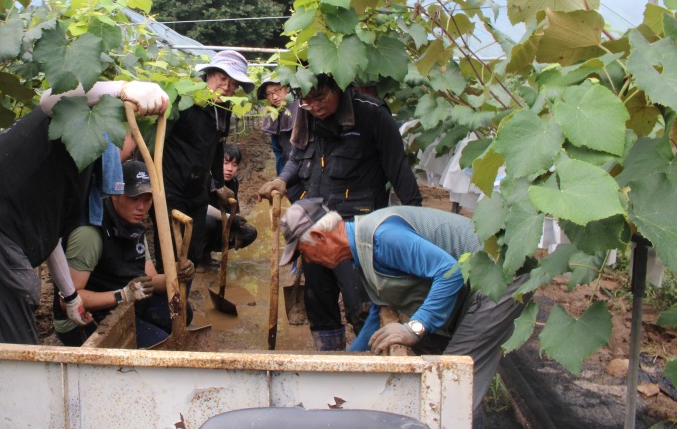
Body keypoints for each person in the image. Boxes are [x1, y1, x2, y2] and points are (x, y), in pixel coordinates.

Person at [0, 80, 168, 345]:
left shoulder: (80, 172)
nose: (126, 156)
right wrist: (125, 89)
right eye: (130, 141)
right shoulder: (73, 122)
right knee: (12, 349)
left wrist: (71, 297)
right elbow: (49, 98)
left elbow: (51, 237)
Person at [278, 199, 529, 426]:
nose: (307, 261)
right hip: (475, 282)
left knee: (452, 384)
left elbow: (449, 273)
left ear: (319, 236)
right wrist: (346, 364)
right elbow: (377, 312)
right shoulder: (360, 251)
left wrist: (415, 328)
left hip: (501, 275)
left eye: (302, 253)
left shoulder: (382, 237)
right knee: (453, 382)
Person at [258, 73, 422, 351]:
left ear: (340, 87)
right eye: (307, 101)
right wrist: (283, 179)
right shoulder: (306, 113)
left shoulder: (372, 115)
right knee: (318, 300)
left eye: (321, 98)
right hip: (317, 225)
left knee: (361, 304)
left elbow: (400, 175)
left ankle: (369, 361)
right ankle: (329, 359)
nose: (314, 106)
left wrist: (416, 232)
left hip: (356, 231)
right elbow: (297, 156)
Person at [54, 160, 195, 347]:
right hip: (85, 318)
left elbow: (150, 279)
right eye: (134, 198)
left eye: (147, 199)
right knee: (160, 347)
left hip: (125, 304)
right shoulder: (91, 233)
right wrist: (123, 295)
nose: (141, 207)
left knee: (183, 313)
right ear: (115, 194)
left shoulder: (134, 225)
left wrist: (175, 274)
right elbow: (67, 300)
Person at [162, 50, 255, 267]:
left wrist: (220, 186)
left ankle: (184, 299)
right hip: (170, 188)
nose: (227, 86)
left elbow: (217, 146)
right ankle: (168, 299)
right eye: (223, 78)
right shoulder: (184, 100)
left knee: (193, 253)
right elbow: (158, 142)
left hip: (198, 190)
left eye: (234, 83)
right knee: (171, 252)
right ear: (209, 74)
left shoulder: (224, 107)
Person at [203, 145, 257, 263]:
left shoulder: (234, 182)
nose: (229, 169)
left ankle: (211, 251)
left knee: (250, 232)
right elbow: (202, 208)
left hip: (221, 225)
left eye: (234, 165)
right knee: (208, 222)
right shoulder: (206, 178)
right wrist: (231, 219)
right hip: (201, 226)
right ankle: (200, 256)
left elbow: (234, 209)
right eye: (225, 163)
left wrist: (235, 226)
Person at [257, 77, 299, 175]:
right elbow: (279, 153)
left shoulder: (301, 108)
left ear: (287, 88)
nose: (274, 97)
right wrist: (281, 178)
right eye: (269, 93)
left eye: (277, 90)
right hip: (288, 173)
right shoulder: (273, 117)